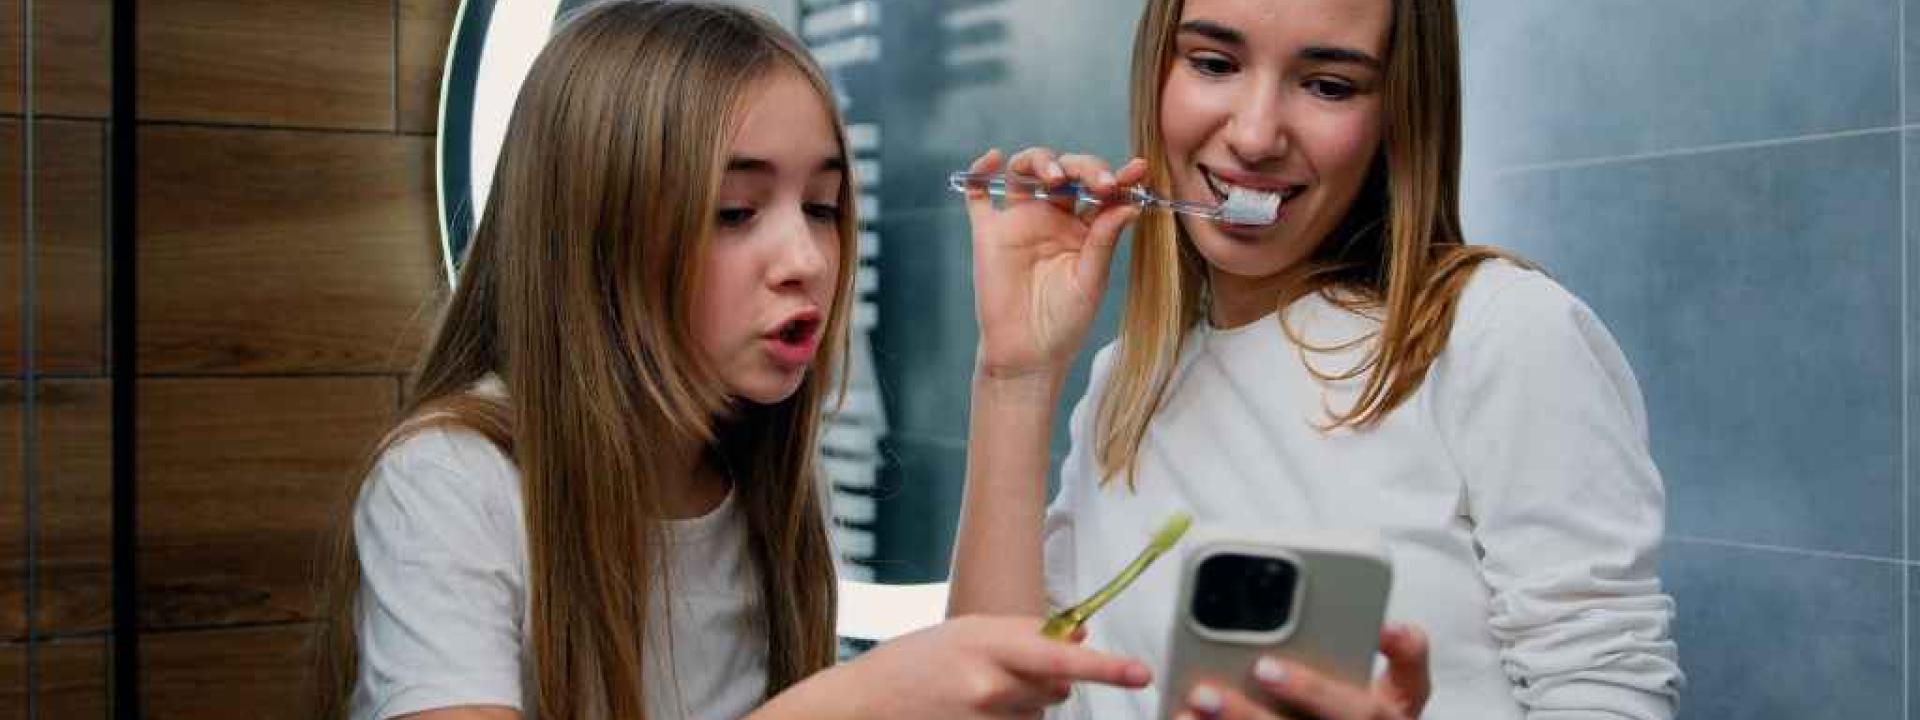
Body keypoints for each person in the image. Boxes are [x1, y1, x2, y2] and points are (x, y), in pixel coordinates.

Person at [309, 3, 1155, 718]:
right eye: (735, 211)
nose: (808, 259)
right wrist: (843, 702)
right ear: (597, 235)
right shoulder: (452, 482)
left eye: (822, 207)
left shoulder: (767, 478)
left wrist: (1015, 375)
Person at [948, 0, 1684, 718]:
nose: (1257, 135)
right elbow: (989, 704)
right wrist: (1015, 379)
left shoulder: (1499, 332)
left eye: (1329, 85)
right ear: (1157, 76)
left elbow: (1607, 690)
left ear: (1398, 111)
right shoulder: (1128, 379)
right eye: (1213, 62)